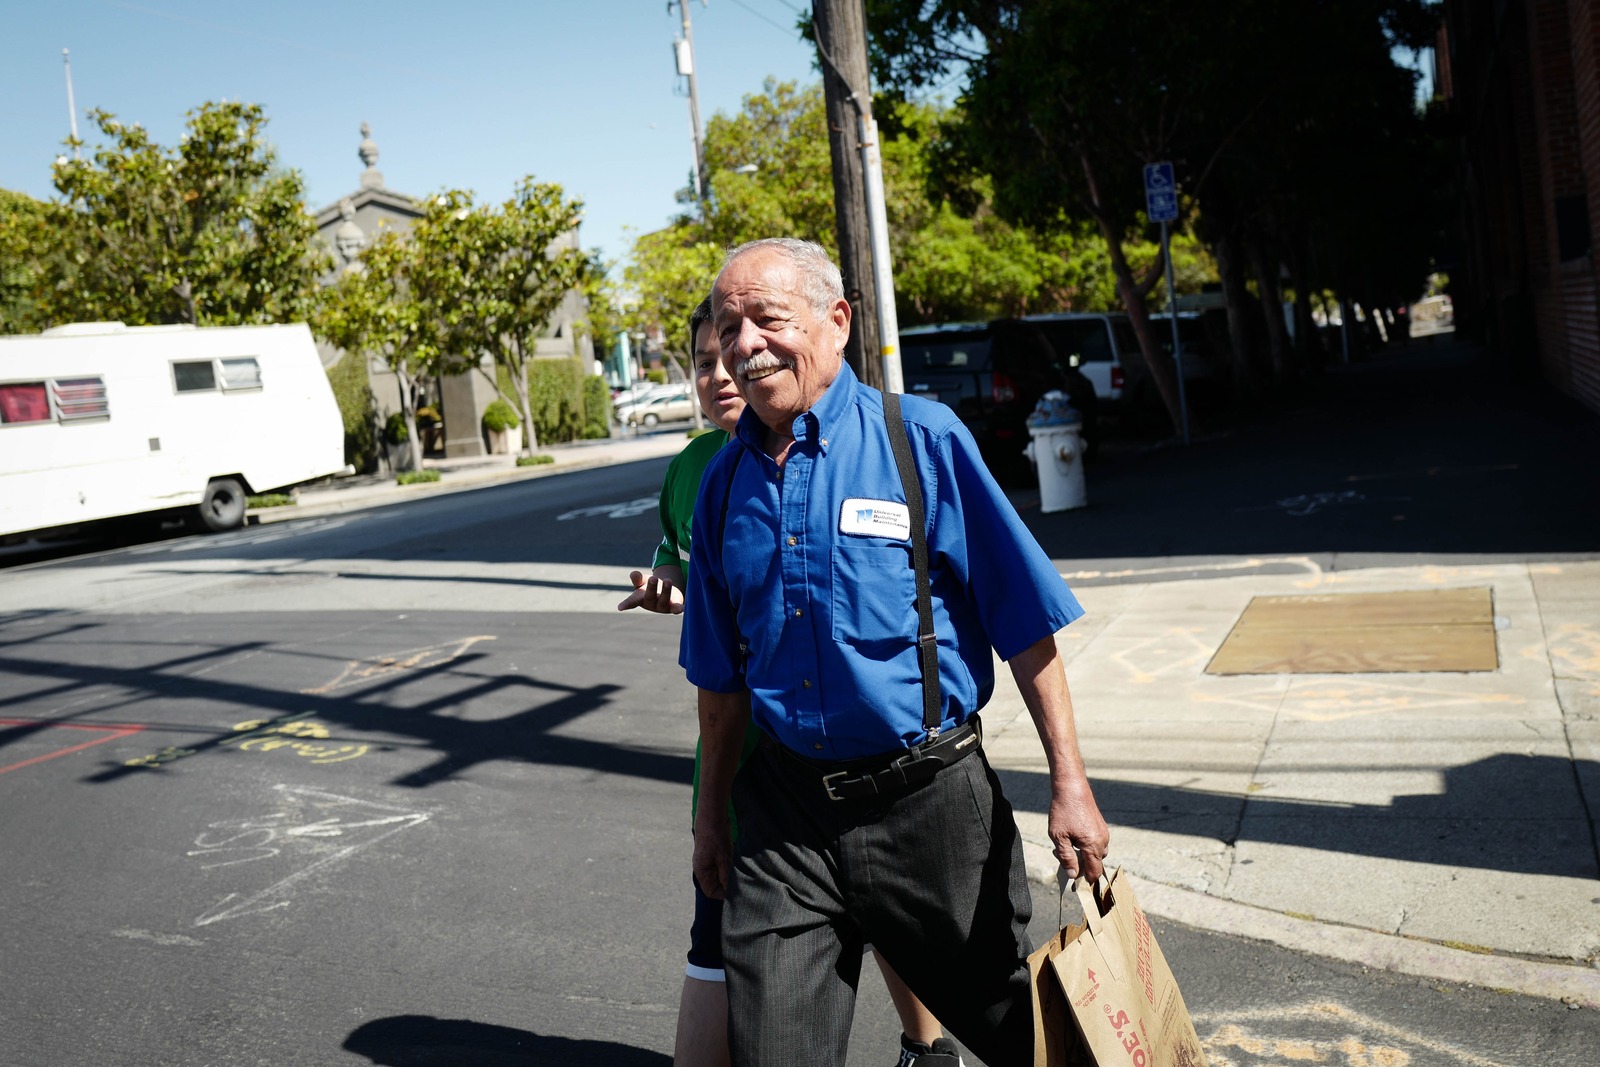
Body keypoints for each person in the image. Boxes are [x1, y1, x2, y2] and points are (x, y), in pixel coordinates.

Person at [681, 239, 1111, 1066]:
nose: (743, 345)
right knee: (772, 1050)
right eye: (729, 327)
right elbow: (720, 681)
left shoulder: (923, 442)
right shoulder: (721, 488)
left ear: (836, 322)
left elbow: (1024, 620)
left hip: (930, 804)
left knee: (1019, 1033)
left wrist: (1072, 783)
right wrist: (711, 820)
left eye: (766, 319)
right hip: (785, 820)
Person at [620, 297, 961, 1067]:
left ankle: (928, 1047)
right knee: (735, 943)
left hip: (856, 760)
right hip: (744, 761)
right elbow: (685, 566)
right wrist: (664, 587)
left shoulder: (875, 441)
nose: (722, 371)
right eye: (704, 361)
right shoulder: (694, 472)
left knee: (885, 917)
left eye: (730, 352)